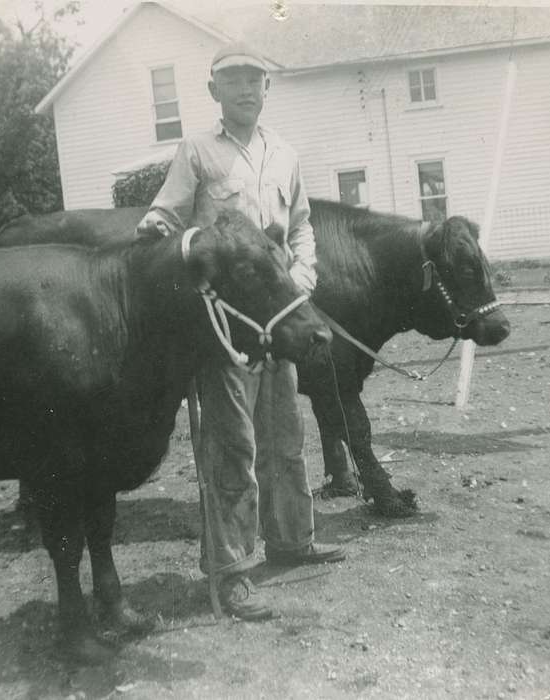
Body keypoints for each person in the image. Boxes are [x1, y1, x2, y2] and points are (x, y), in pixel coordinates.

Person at [137, 42, 345, 621]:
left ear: (266, 89)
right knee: (233, 444)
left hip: (277, 318)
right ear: (214, 92)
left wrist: (300, 277)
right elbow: (165, 218)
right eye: (233, 81)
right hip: (227, 326)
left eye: (254, 80)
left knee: (286, 433)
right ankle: (231, 570)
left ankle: (293, 540)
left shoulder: (284, 154)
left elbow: (302, 227)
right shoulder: (198, 151)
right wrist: (155, 229)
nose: (246, 90)